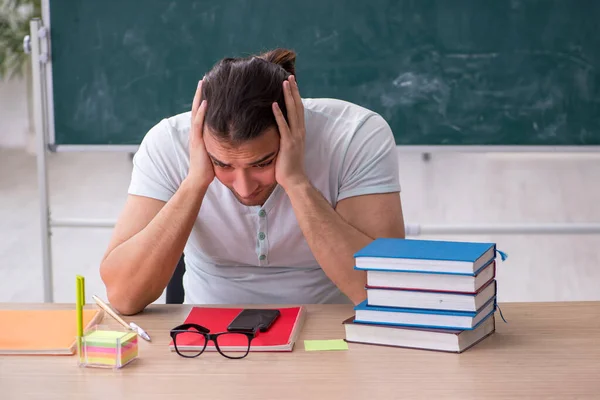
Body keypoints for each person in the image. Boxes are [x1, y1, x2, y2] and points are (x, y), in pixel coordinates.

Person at [99, 48, 405, 315]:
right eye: (223, 164)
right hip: (207, 338)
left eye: (262, 162)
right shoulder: (168, 143)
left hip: (328, 331)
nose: (244, 188)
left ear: (294, 133)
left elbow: (382, 292)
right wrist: (195, 182)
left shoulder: (355, 135)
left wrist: (296, 183)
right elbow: (124, 297)